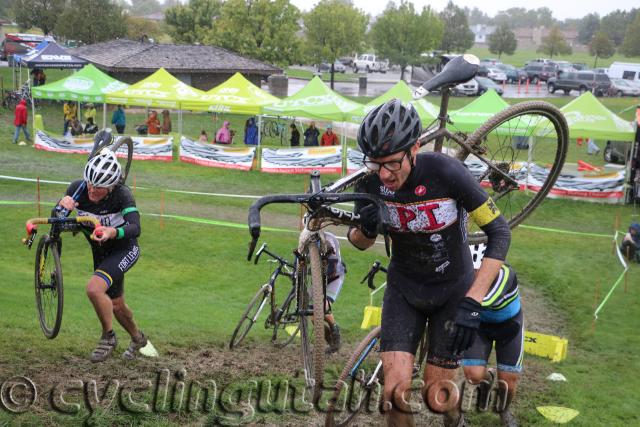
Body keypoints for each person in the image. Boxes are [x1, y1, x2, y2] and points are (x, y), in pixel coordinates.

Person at [348, 99, 511, 427]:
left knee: (438, 397)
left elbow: (499, 233)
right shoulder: (370, 183)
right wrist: (365, 228)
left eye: (392, 163)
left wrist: (474, 302)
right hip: (404, 289)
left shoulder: (446, 173)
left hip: (453, 290)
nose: (384, 173)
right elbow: (359, 242)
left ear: (415, 148)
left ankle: (456, 420)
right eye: (375, 163)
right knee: (394, 395)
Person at [54, 132, 147, 362]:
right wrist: (59, 209)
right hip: (101, 253)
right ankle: (138, 339)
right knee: (116, 304)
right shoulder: (77, 189)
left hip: (125, 249)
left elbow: (136, 227)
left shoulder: (122, 195)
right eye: (90, 185)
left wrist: (112, 231)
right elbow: (56, 226)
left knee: (94, 289)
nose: (93, 191)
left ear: (112, 186)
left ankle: (108, 337)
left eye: (100, 189)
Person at [463, 264, 522, 427]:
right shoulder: (462, 272)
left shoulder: (506, 273)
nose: (475, 274)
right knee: (473, 375)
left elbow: (484, 300)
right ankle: (486, 380)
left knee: (508, 381)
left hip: (510, 326)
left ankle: (504, 410)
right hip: (479, 326)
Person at [323, 232, 346, 354]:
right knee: (312, 316)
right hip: (319, 277)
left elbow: (332, 267)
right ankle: (331, 341)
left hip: (334, 276)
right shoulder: (306, 239)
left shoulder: (329, 240)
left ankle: (335, 334)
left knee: (323, 307)